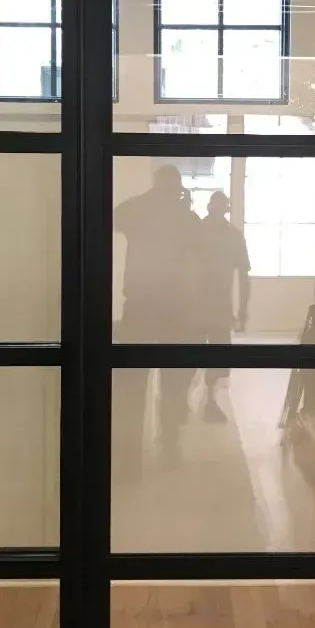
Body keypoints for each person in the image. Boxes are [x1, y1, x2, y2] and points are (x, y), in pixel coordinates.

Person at [113, 164, 201, 446]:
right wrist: (184, 206)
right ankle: (169, 439)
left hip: (144, 305)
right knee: (172, 376)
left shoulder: (140, 210)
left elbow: (115, 216)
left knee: (135, 379)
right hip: (173, 307)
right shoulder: (183, 216)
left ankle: (131, 450)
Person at [198, 190, 251, 422]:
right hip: (194, 305)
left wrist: (242, 311)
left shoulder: (233, 237)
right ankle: (184, 403)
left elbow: (244, 276)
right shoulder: (195, 232)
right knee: (192, 356)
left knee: (218, 357)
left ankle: (209, 400)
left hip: (217, 307)